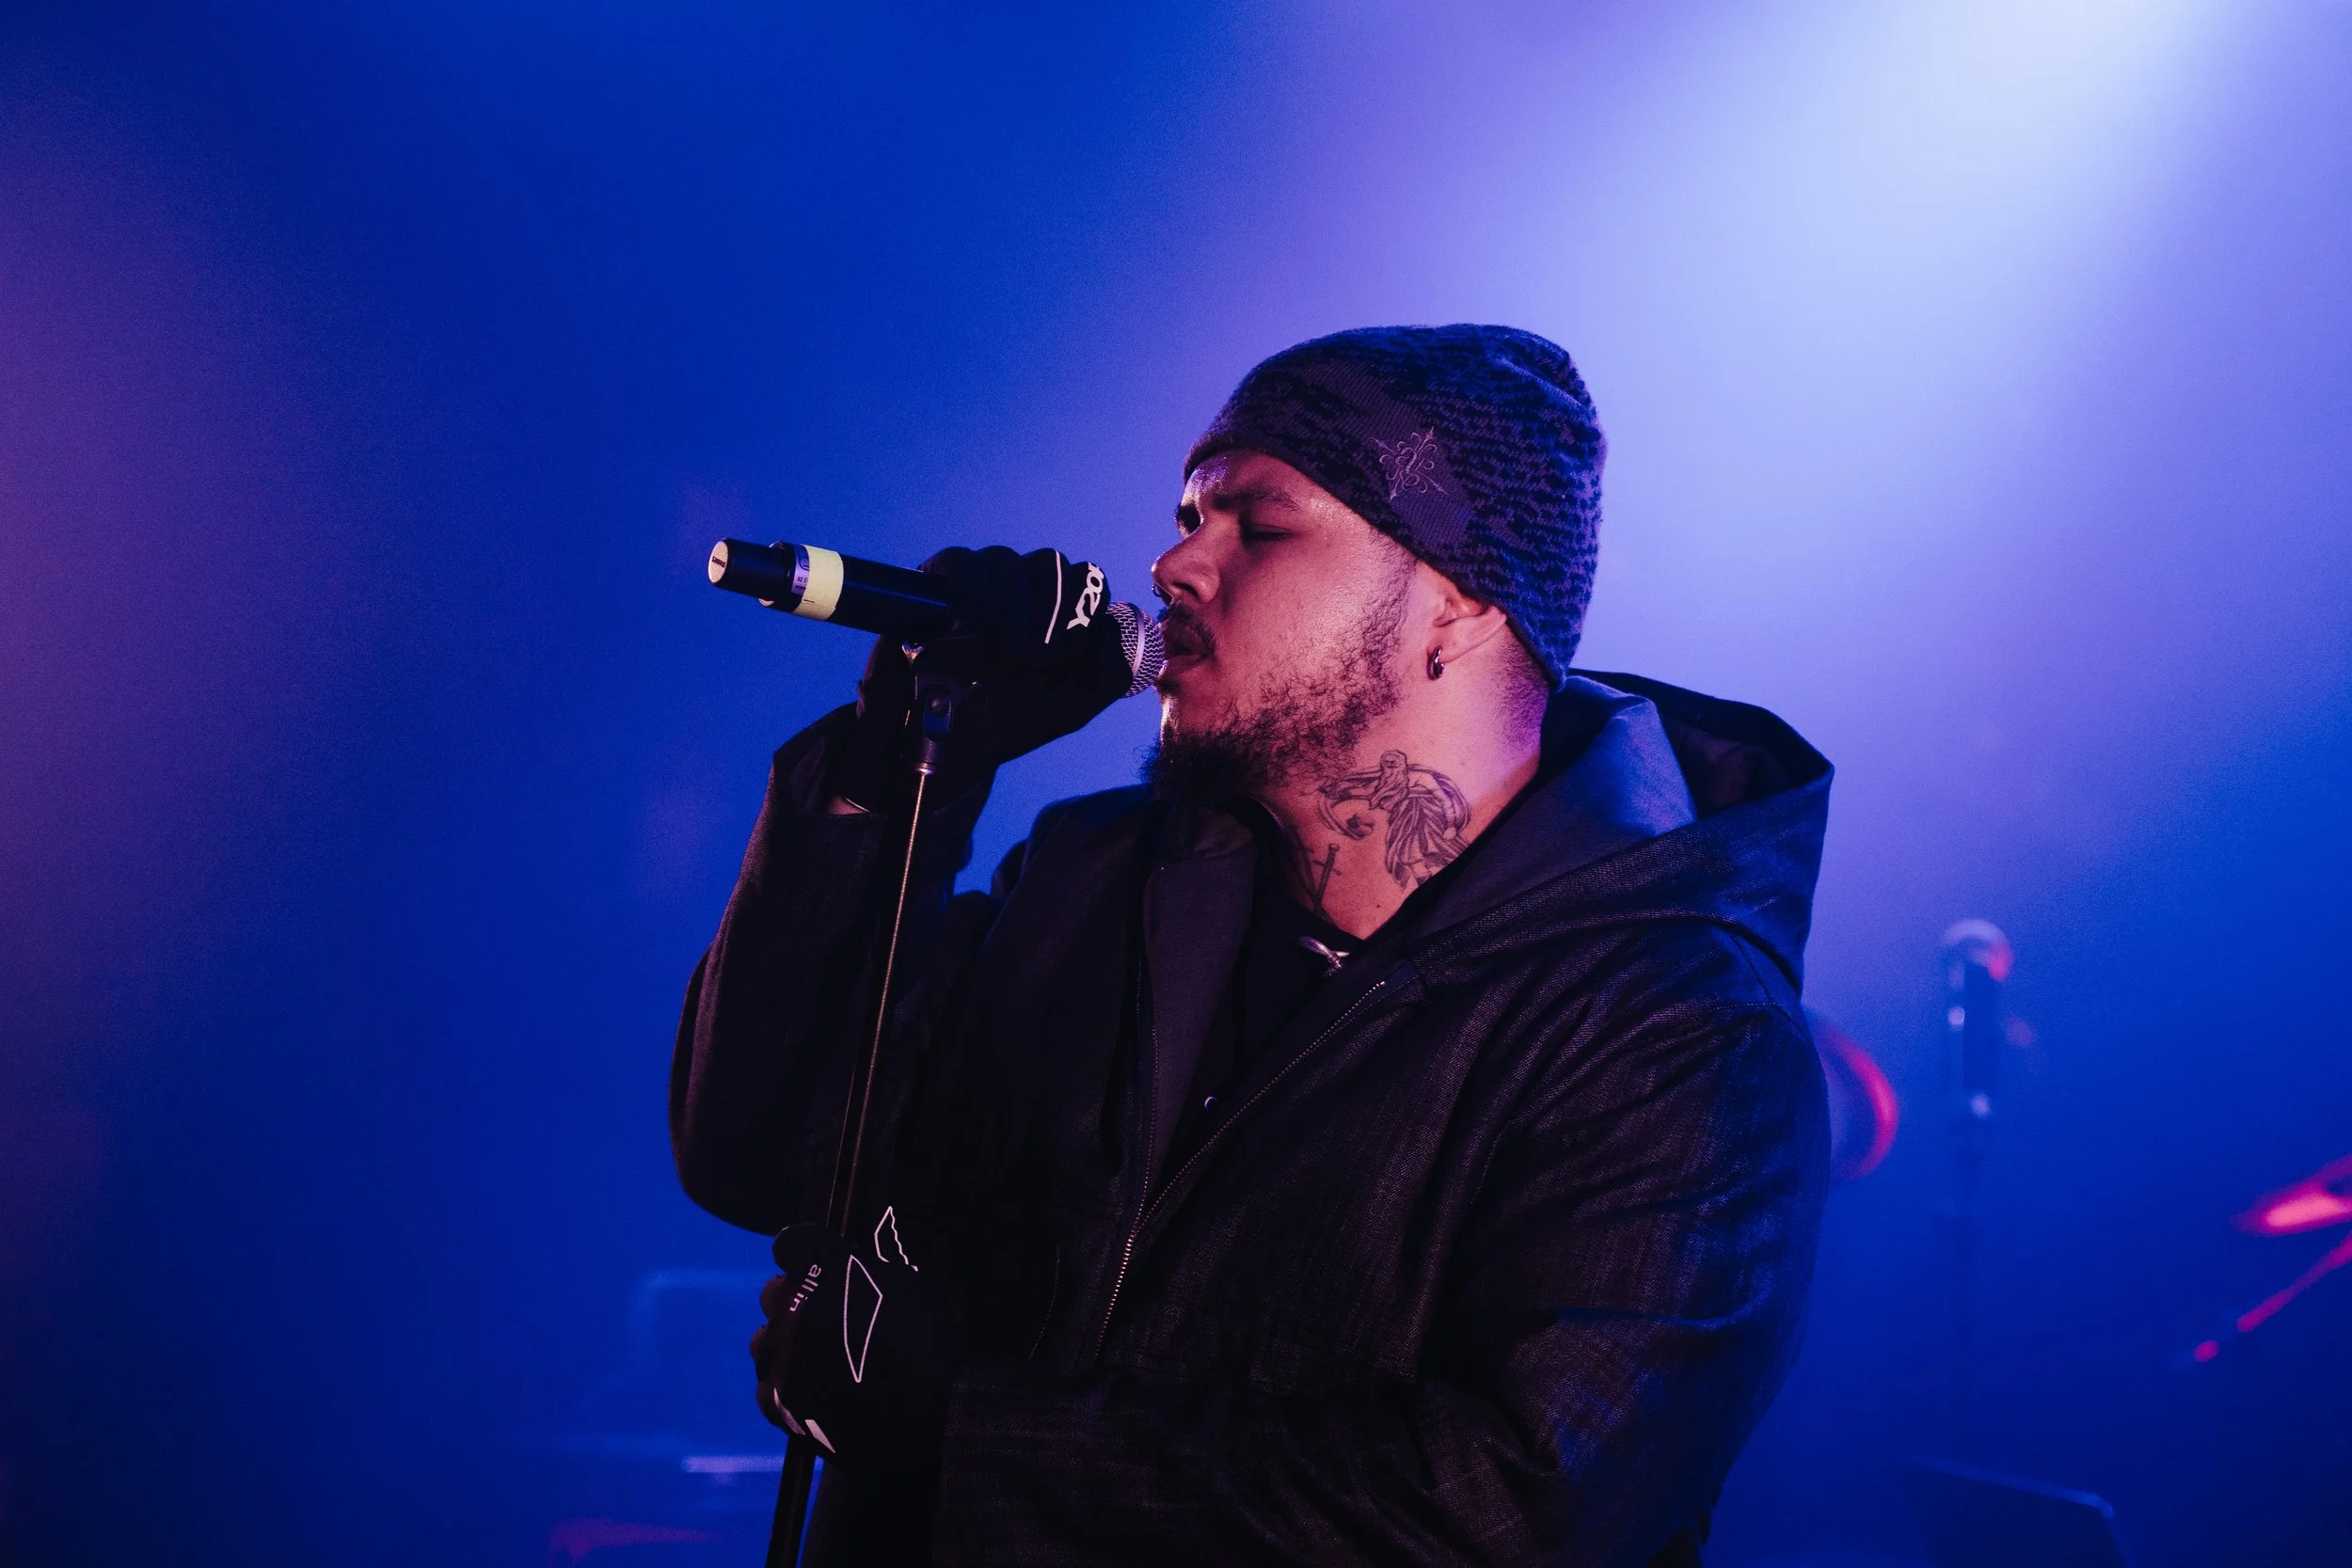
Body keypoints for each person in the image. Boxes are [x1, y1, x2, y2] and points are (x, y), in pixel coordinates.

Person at [672, 325, 1832, 1566]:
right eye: (1185, 515)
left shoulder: (1676, 1027)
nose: (1173, 564)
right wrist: (899, 769)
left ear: (1458, 600)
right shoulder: (1093, 884)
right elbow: (759, 1153)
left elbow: (1511, 1512)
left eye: (1257, 525)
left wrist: (971, 1436)